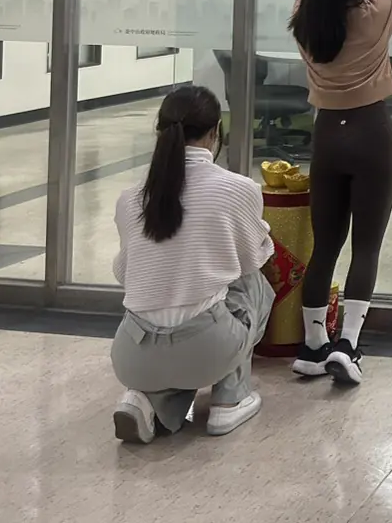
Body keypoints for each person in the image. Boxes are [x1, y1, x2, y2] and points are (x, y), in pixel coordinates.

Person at [110, 84, 274, 443]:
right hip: (206, 350)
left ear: (161, 132)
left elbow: (124, 273)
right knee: (254, 285)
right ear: (215, 132)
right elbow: (253, 258)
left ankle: (145, 399)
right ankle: (229, 399)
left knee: (170, 324)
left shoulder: (130, 197)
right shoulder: (238, 188)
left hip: (131, 354)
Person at [288, 0, 392, 385]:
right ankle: (349, 345)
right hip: (371, 132)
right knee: (367, 246)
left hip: (327, 139)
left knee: (326, 246)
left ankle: (313, 345)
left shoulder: (304, 23)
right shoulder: (373, 17)